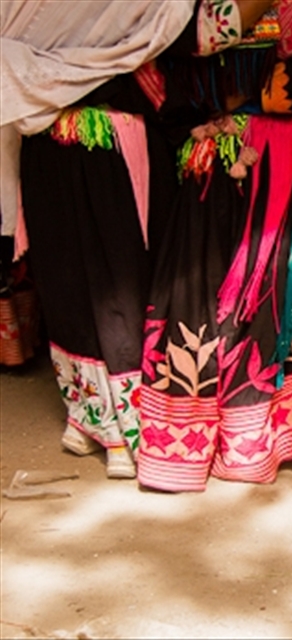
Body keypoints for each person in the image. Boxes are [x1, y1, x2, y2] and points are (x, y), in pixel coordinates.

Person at [136, 0, 292, 492]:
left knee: (264, 297)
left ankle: (245, 443)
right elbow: (159, 76)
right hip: (222, 160)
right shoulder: (182, 10)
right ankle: (193, 447)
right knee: (205, 296)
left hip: (280, 167)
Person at [2, 0, 195, 478]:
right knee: (121, 282)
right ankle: (126, 433)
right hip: (111, 140)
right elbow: (199, 33)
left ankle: (86, 420)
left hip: (45, 139)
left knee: (66, 281)